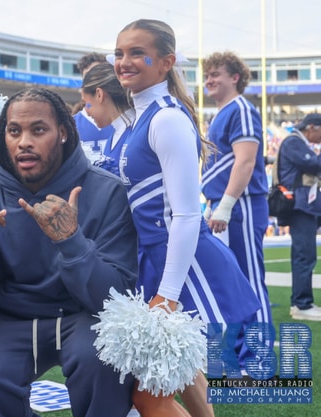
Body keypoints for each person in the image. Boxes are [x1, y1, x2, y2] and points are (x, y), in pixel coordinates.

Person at [0, 87, 138, 417]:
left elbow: (116, 295)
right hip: (8, 317)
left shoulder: (105, 189)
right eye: (14, 131)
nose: (24, 142)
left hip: (83, 313)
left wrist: (71, 241)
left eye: (38, 130)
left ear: (63, 133)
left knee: (105, 360)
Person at [113, 19, 260, 416]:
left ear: (166, 62)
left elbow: (186, 213)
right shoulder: (140, 116)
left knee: (148, 396)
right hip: (152, 260)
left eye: (136, 53)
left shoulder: (166, 119)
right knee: (186, 371)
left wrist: (169, 294)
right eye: (119, 53)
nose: (124, 61)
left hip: (179, 265)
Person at [200, 51, 273, 354]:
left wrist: (226, 205)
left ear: (235, 77)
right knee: (232, 280)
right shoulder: (223, 112)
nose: (209, 80)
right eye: (207, 75)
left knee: (248, 280)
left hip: (241, 204)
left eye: (216, 73)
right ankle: (239, 351)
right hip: (225, 202)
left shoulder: (240, 108)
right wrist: (214, 203)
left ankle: (258, 355)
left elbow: (245, 161)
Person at [275, 113, 321, 320]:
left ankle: (301, 302)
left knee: (304, 254)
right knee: (305, 254)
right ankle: (302, 304)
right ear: (312, 127)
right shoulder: (294, 142)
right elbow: (314, 165)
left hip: (303, 205)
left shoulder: (296, 142)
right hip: (300, 206)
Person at [79, 62, 134, 176]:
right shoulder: (115, 135)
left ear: (99, 94)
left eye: (86, 104)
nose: (86, 111)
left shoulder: (137, 131)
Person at [73, 52, 115, 164]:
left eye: (99, 74)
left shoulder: (129, 120)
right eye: (89, 77)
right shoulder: (70, 125)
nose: (94, 81)